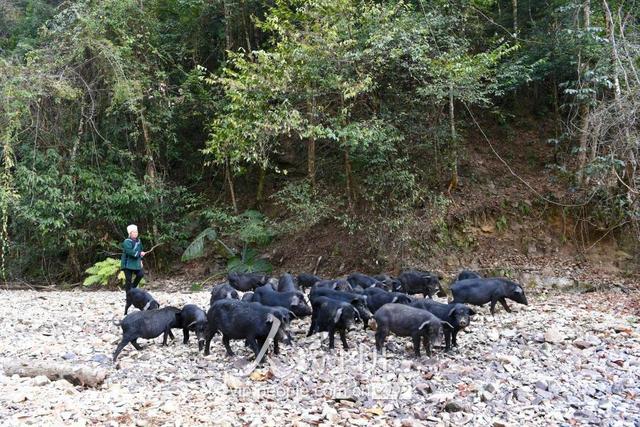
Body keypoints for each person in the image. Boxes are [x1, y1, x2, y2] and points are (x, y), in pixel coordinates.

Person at [121, 224, 146, 291]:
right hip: (127, 264)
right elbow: (130, 252)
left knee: (140, 274)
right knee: (128, 279)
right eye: (134, 232)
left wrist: (141, 260)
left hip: (136, 263)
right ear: (130, 233)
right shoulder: (126, 241)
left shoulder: (139, 241)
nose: (135, 233)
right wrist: (139, 253)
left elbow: (140, 250)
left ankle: (133, 287)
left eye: (136, 232)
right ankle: (128, 296)